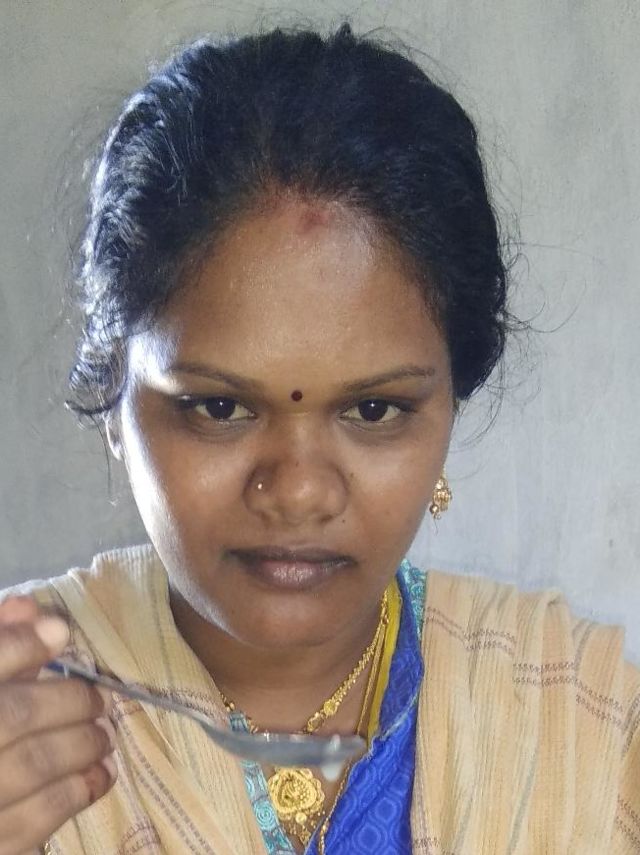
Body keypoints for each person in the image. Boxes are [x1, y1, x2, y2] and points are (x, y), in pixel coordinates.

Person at [0, 23, 637, 855]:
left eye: (372, 410)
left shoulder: (583, 727)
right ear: (116, 402)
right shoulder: (22, 708)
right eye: (219, 407)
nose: (299, 490)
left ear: (450, 403)